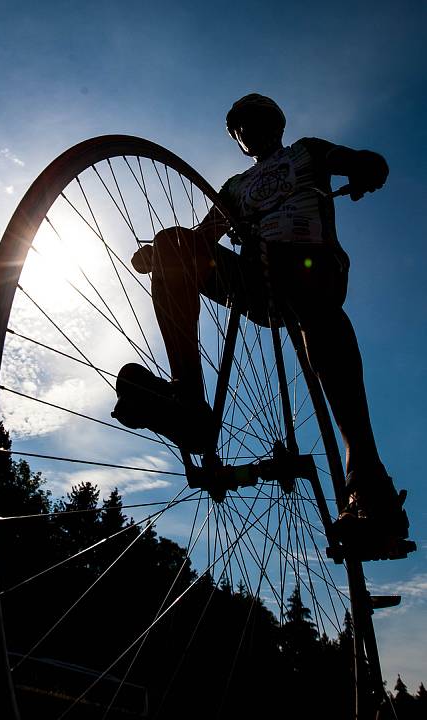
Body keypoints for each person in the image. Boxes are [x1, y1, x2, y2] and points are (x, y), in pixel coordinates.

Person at [112, 93, 412, 550]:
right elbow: (203, 237)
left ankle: (366, 483)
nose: (246, 131)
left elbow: (352, 160)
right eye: (238, 128)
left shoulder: (306, 152)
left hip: (312, 268)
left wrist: (366, 165)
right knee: (175, 243)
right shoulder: (233, 187)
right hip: (257, 281)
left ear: (276, 124)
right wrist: (164, 254)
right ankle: (190, 405)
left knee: (313, 301)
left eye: (255, 121)